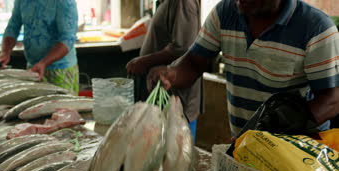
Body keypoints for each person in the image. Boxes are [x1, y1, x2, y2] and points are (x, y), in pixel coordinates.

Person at [153, 0, 338, 137]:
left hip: (298, 155)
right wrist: (172, 74)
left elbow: (332, 100)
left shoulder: (316, 28)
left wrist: (287, 124)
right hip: (244, 146)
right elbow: (193, 63)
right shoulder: (226, 12)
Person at [126, 0, 202, 139]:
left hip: (175, 101)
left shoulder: (181, 3)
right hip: (160, 97)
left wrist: (144, 61)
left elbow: (183, 49)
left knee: (175, 154)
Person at [0, 0, 80, 95]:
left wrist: (44, 63)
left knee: (61, 109)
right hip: (33, 68)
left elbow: (67, 39)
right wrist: (5, 52)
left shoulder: (64, 2)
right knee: (33, 107)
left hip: (60, 69)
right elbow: (13, 27)